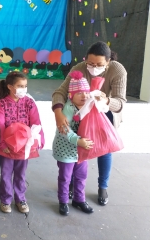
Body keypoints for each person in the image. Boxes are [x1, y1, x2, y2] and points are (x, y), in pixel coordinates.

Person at [52, 41, 127, 206]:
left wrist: (106, 99)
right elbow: (60, 92)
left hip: (105, 110)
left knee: (104, 148)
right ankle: (71, 182)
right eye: (90, 63)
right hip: (82, 111)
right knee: (77, 147)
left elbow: (120, 102)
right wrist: (58, 112)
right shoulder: (79, 68)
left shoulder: (117, 70)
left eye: (99, 64)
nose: (94, 67)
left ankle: (102, 186)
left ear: (108, 62)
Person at [0, 71, 45, 214]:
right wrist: (3, 144)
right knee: (5, 174)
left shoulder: (29, 103)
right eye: (20, 86)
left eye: (25, 86)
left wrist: (39, 139)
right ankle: (5, 200)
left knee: (21, 174)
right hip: (7, 148)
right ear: (10, 86)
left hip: (24, 147)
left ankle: (20, 199)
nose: (24, 89)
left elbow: (36, 122)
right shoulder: (2, 104)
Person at [52, 71, 95, 216]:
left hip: (80, 151)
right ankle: (63, 201)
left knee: (81, 176)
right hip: (66, 149)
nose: (84, 96)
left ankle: (79, 199)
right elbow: (64, 130)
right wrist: (78, 141)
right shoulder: (69, 108)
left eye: (86, 92)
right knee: (65, 177)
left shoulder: (88, 106)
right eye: (79, 93)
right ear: (71, 95)